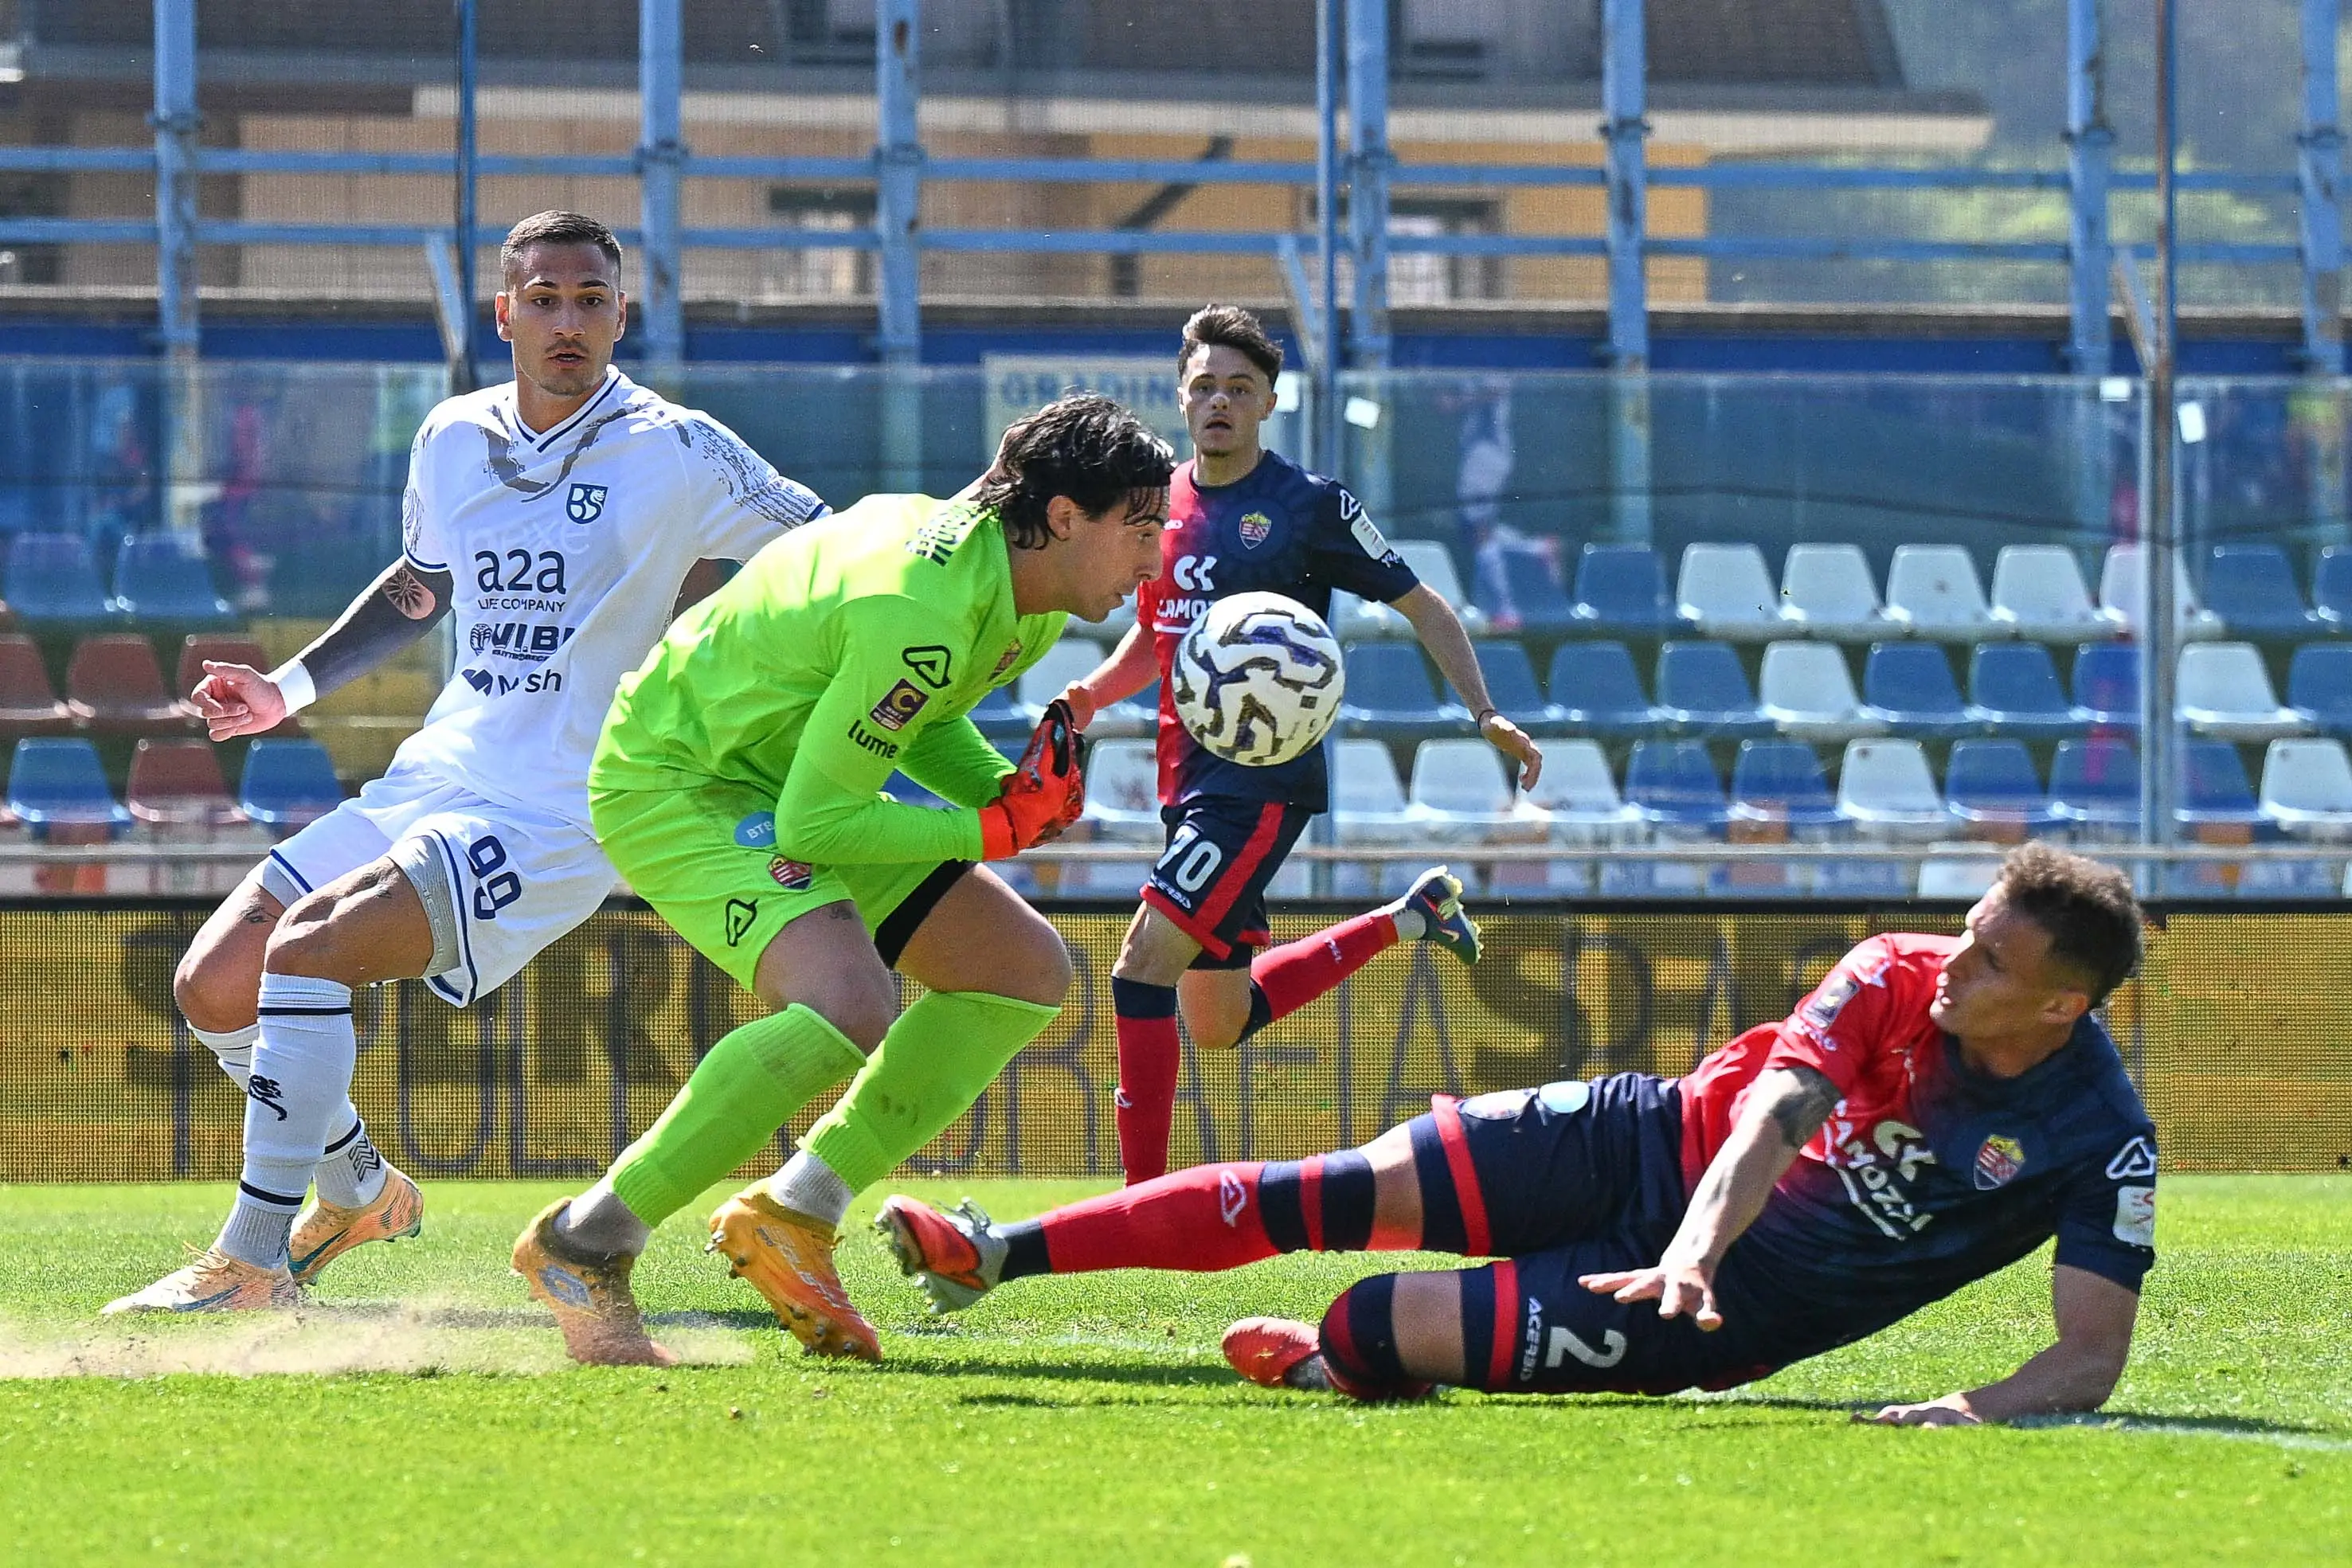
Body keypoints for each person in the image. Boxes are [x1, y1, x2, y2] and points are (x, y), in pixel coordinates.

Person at [105, 211, 831, 1315]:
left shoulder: (678, 446)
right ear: (505, 314)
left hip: (563, 804)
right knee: (213, 986)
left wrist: (696, 634)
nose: (567, 320)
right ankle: (357, 1188)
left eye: (591, 299)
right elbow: (421, 583)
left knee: (310, 955)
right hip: (438, 767)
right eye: (544, 297)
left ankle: (252, 1262)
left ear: (621, 315)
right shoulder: (451, 435)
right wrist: (284, 690)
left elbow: (821, 551)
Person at [879, 843, 2156, 1425]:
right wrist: (1700, 1231)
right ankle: (992, 1254)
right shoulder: (1894, 966)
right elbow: (1778, 1112)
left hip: (1719, 1309)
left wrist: (1967, 1409)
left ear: (2061, 1003)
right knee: (1326, 1189)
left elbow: (2088, 1355)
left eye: (1988, 958)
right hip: (1644, 1142)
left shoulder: (2099, 1137)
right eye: (1968, 925)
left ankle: (1348, 1363)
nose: (1952, 961)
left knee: (1369, 1318)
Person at [509, 393, 1174, 1367]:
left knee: (1020, 971)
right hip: (681, 782)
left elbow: (925, 713)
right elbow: (813, 823)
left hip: (784, 778)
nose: (1152, 560)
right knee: (847, 1003)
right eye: (1140, 529)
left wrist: (999, 793)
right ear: (1065, 516)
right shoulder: (923, 602)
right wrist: (990, 825)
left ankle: (796, 1209)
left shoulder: (1020, 591)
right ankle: (585, 1242)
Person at [1056, 304, 1545, 1186]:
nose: (1218, 402)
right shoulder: (1155, 502)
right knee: (1216, 1018)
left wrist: (1483, 713)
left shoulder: (1309, 505)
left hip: (1260, 782)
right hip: (1185, 782)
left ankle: (1138, 1210)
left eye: (1238, 388)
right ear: (1180, 395)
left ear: (1269, 402)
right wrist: (1094, 691)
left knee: (1139, 967)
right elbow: (1162, 634)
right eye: (1204, 385)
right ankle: (1411, 917)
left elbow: (1422, 603)